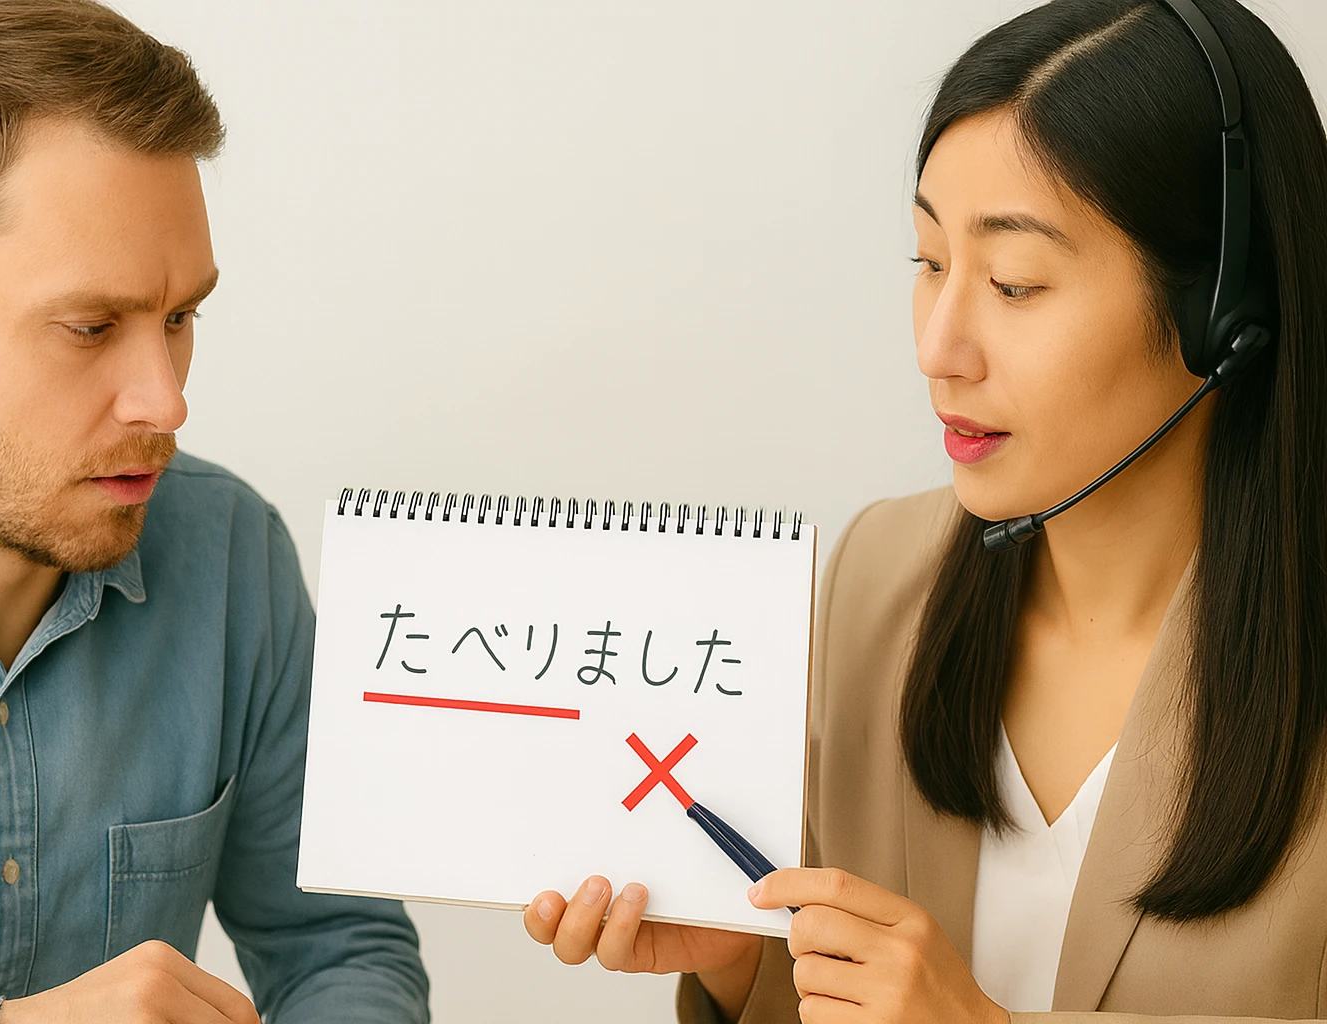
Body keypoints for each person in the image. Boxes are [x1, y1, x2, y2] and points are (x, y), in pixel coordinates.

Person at [524, 0, 1327, 1020]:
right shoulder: (876, 577)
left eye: (1015, 281)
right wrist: (746, 964)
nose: (939, 346)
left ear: (1225, 315)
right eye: (930, 263)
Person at [0, 2, 430, 1022]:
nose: (168, 400)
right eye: (91, 326)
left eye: (180, 316)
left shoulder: (231, 561)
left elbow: (336, 946)